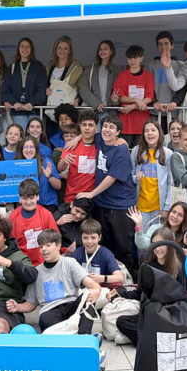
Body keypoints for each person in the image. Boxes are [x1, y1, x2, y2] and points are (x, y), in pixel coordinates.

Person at [12, 230, 104, 363]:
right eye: (41, 246)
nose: (44, 249)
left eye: (48, 245)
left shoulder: (69, 262)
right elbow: (32, 303)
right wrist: (18, 307)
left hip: (71, 305)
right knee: (46, 321)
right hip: (50, 311)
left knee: (87, 297)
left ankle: (84, 339)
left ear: (58, 245)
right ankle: (81, 347)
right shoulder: (36, 271)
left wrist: (95, 291)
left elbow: (93, 285)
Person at [107, 228, 187, 344]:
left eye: (161, 244)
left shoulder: (179, 269)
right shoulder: (148, 266)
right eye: (154, 244)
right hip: (152, 313)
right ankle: (157, 341)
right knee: (122, 321)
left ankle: (149, 339)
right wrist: (115, 293)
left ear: (169, 245)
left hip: (172, 315)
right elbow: (139, 292)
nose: (157, 248)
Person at [75, 114, 138, 275]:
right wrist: (73, 140)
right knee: (105, 244)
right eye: (105, 126)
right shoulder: (100, 140)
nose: (107, 130)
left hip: (121, 205)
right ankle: (108, 279)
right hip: (103, 204)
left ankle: (127, 280)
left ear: (118, 132)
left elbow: (111, 177)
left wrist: (91, 194)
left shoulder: (121, 149)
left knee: (123, 247)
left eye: (112, 127)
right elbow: (86, 135)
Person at [130, 120, 173, 226]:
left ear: (159, 133)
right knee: (141, 237)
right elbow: (129, 176)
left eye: (153, 130)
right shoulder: (136, 150)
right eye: (146, 131)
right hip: (140, 206)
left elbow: (170, 182)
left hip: (159, 207)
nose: (150, 133)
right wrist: (136, 178)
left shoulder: (167, 153)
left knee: (157, 238)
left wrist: (166, 207)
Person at [111, 45, 155, 147]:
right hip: (126, 121)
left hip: (142, 120)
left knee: (142, 151)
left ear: (141, 58)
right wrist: (136, 100)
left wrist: (133, 106)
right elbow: (121, 97)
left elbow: (149, 97)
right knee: (124, 149)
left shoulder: (148, 76)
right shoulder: (122, 76)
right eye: (129, 58)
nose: (132, 61)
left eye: (135, 58)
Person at [0, 37, 47, 130]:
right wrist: (15, 103)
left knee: (34, 139)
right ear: (18, 48)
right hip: (18, 112)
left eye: (27, 46)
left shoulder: (38, 67)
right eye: (22, 46)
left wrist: (31, 103)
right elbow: (5, 91)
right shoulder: (13, 67)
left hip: (35, 110)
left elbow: (42, 90)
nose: (25, 49)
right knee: (21, 138)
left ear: (32, 49)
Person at [10, 179, 59, 266]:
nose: (28, 202)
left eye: (31, 198)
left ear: (37, 197)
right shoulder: (13, 217)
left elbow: (55, 239)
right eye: (24, 198)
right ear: (20, 199)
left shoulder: (46, 215)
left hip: (43, 262)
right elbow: (10, 243)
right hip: (22, 264)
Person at [59, 110, 99, 204]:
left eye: (90, 125)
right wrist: (65, 161)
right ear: (80, 126)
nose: (87, 128)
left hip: (93, 199)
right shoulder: (71, 145)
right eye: (84, 125)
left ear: (96, 127)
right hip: (72, 197)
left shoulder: (101, 144)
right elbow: (60, 168)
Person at [72, 219, 124, 289]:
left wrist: (102, 278)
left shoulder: (106, 254)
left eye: (93, 238)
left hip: (102, 290)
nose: (89, 241)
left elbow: (120, 277)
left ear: (99, 237)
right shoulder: (77, 253)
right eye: (85, 238)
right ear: (81, 237)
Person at [149, 31, 186, 126]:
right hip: (156, 112)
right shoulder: (151, 65)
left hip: (174, 112)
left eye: (166, 43)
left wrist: (175, 101)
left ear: (172, 46)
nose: (163, 47)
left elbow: (183, 87)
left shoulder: (180, 64)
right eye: (160, 44)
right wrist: (154, 101)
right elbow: (148, 86)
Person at [18, 135, 60, 211]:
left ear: (36, 149)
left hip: (46, 206)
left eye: (32, 147)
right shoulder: (17, 165)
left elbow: (58, 186)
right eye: (26, 147)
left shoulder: (46, 162)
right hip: (26, 205)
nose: (29, 150)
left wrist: (49, 177)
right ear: (21, 149)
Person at [78, 40, 120, 115]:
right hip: (93, 111)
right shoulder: (90, 69)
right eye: (100, 49)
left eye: (105, 49)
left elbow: (121, 90)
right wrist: (96, 103)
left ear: (111, 52)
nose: (102, 51)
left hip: (110, 111)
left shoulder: (117, 70)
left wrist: (116, 101)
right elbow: (83, 89)